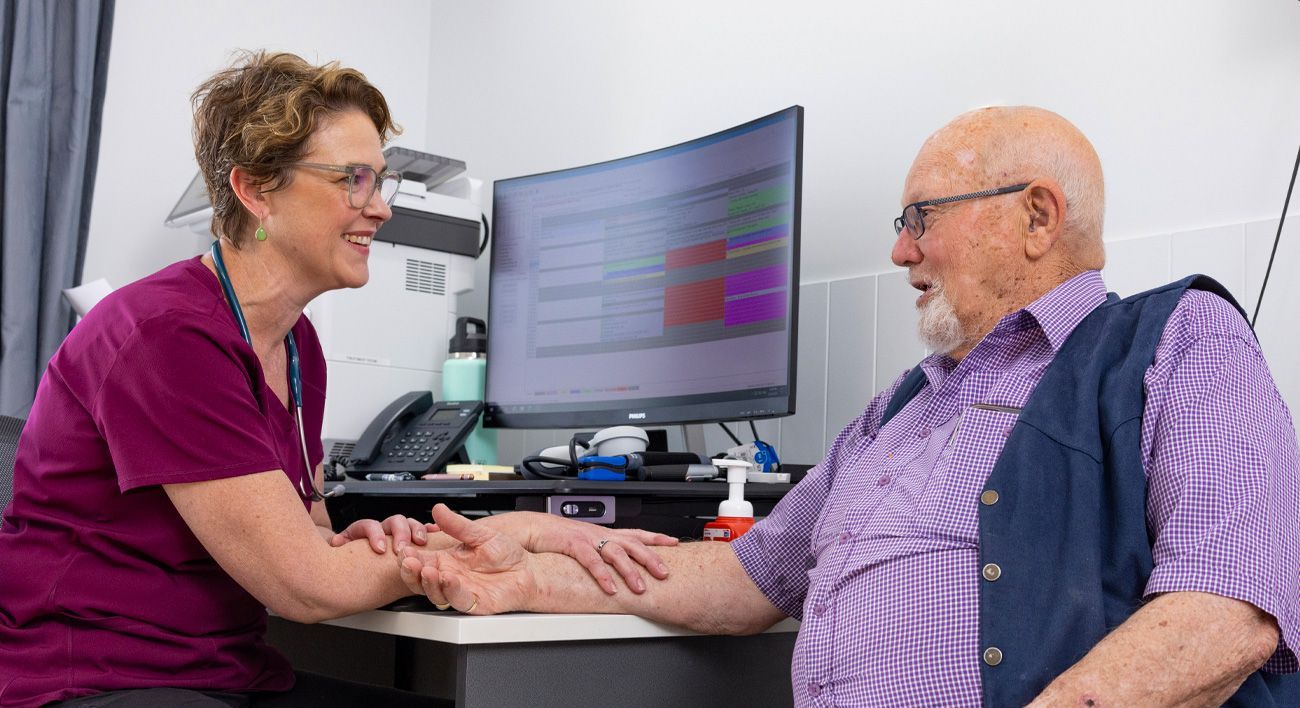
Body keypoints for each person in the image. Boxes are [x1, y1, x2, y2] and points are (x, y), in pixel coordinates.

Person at [397, 106, 1300, 706]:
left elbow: (1232, 609)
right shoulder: (896, 410)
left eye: (922, 216)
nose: (901, 251)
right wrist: (536, 564)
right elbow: (744, 581)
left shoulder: (1180, 341)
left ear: (1035, 216)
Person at [0, 51, 676, 708]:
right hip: (97, 679)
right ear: (256, 189)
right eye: (353, 179)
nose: (379, 208)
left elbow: (312, 533)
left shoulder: (296, 345)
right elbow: (308, 585)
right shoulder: (166, 334)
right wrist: (501, 544)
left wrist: (513, 530)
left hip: (226, 674)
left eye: (378, 182)